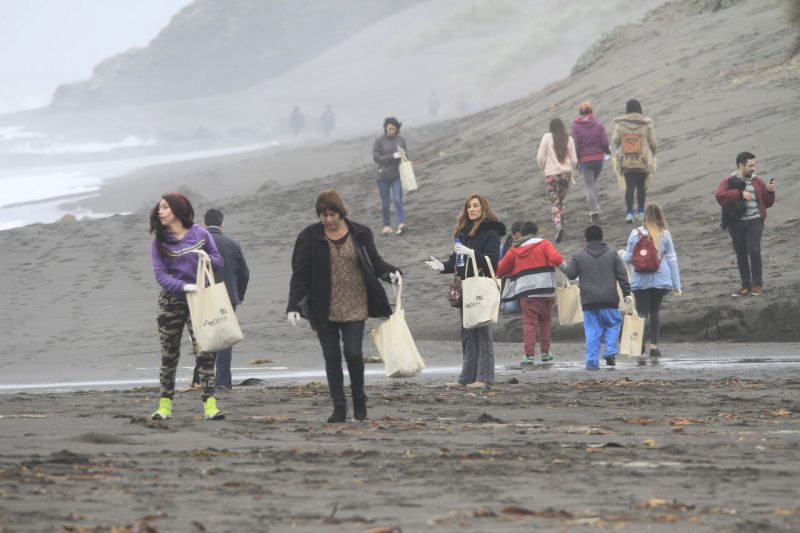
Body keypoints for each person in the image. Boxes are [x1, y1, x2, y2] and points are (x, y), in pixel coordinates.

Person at [286, 189, 400, 423]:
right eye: (323, 215)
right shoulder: (308, 237)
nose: (328, 220)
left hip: (355, 303)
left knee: (353, 353)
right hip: (322, 307)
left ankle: (359, 401)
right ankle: (339, 406)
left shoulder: (360, 233)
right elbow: (300, 273)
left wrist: (391, 273)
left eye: (332, 214)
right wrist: (293, 305)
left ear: (340, 212)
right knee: (331, 356)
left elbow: (375, 262)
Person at [149, 193, 225, 421]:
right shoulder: (159, 242)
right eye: (159, 208)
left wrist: (208, 259)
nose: (160, 211)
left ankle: (210, 405)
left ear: (178, 209)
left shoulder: (200, 234)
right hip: (171, 302)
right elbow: (160, 275)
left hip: (200, 300)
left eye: (165, 207)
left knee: (204, 354)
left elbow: (218, 260)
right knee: (169, 356)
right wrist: (184, 287)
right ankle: (164, 406)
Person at [425, 194, 506, 388]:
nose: (471, 209)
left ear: (483, 208)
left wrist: (473, 254)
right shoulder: (462, 233)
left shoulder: (491, 232)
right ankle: (466, 377)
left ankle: (484, 378)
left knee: (482, 332)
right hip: (465, 286)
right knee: (467, 333)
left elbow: (493, 261)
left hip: (481, 286)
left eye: (476, 206)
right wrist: (442, 267)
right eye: (469, 206)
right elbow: (456, 262)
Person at [190, 209, 249, 392]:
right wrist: (239, 295)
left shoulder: (198, 245)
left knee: (206, 336)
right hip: (228, 296)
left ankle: (198, 379)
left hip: (205, 296)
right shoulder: (233, 244)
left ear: (204, 225)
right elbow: (244, 274)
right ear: (222, 225)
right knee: (225, 338)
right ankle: (223, 382)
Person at [497, 221, 566, 365]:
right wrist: (568, 271)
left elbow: (500, 270)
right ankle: (546, 353)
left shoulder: (514, 249)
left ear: (522, 233)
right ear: (536, 232)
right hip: (546, 290)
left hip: (527, 292)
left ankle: (529, 355)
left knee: (529, 323)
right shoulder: (544, 244)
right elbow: (556, 259)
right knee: (545, 322)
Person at [564, 225, 631, 370]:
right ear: (602, 237)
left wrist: (563, 265)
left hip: (589, 301)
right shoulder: (612, 253)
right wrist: (626, 292)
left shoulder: (579, 255)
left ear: (585, 239)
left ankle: (592, 361)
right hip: (610, 299)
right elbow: (622, 274)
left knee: (592, 331)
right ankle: (610, 350)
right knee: (613, 324)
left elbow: (570, 274)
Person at [623, 204, 681, 359]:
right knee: (654, 311)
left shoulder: (635, 234)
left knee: (641, 312)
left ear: (645, 217)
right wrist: (677, 285)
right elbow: (672, 260)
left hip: (640, 279)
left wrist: (622, 255)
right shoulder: (665, 234)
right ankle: (654, 347)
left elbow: (629, 258)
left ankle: (639, 344)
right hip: (660, 279)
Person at [715, 151, 776, 296]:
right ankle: (745, 285)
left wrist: (770, 192)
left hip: (755, 221)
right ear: (740, 165)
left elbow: (767, 203)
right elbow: (720, 197)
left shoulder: (758, 181)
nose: (754, 168)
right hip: (735, 224)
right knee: (741, 254)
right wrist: (740, 194)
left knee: (754, 251)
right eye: (750, 165)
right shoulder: (727, 181)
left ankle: (757, 284)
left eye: (754, 165)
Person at [612, 99, 657, 223]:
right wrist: (652, 154)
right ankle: (641, 212)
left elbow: (615, 140)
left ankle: (629, 214)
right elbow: (653, 143)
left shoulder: (620, 124)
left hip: (627, 160)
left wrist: (620, 147)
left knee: (630, 187)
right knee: (641, 186)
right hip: (643, 159)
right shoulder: (646, 123)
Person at [538, 118, 578, 243]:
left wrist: (543, 168)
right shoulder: (569, 139)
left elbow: (540, 157)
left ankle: (558, 225)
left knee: (555, 202)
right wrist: (571, 169)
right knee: (562, 200)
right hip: (565, 174)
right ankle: (563, 224)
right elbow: (574, 160)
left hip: (551, 174)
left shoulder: (546, 137)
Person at [571, 101, 610, 224]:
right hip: (598, 159)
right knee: (592, 183)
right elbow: (604, 142)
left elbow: (576, 145)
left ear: (580, 112)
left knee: (589, 186)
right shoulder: (598, 124)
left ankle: (593, 212)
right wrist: (607, 152)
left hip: (585, 160)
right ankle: (595, 205)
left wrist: (576, 159)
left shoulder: (575, 126)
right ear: (591, 111)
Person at [372, 117, 408, 235]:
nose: (391, 131)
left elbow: (406, 154)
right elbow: (376, 157)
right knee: (385, 203)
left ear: (397, 129)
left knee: (398, 199)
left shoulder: (401, 140)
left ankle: (401, 223)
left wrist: (402, 155)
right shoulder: (379, 141)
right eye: (389, 129)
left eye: (393, 129)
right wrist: (392, 156)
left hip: (397, 175)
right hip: (382, 177)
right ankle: (387, 226)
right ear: (385, 128)